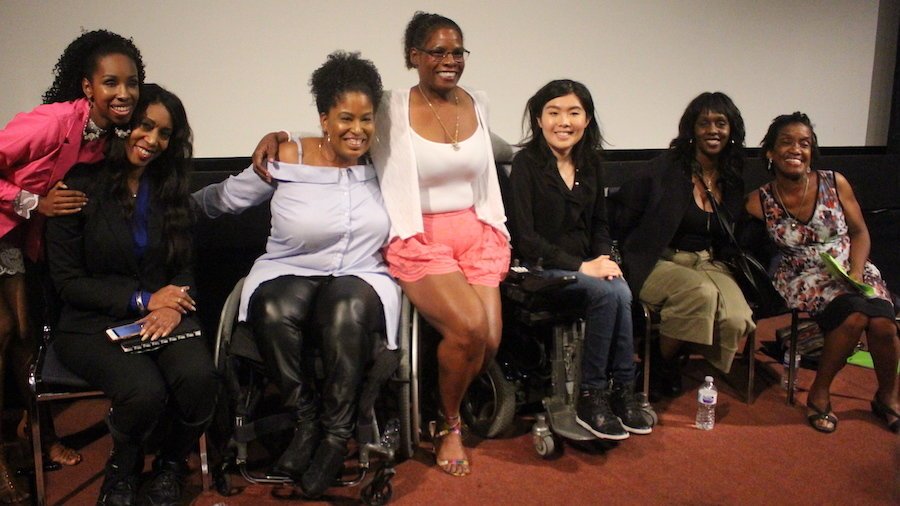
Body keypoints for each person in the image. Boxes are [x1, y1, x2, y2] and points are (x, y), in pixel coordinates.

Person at [252, 12, 510, 477]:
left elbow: (496, 153)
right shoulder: (390, 106)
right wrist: (282, 136)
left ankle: (437, 400)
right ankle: (448, 424)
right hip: (421, 234)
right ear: (414, 57)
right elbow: (343, 123)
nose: (449, 60)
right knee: (469, 329)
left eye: (457, 52)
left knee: (489, 338)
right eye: (437, 51)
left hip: (475, 233)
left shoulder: (478, 101)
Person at [194, 52, 397, 497]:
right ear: (324, 120)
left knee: (345, 309)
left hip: (361, 273)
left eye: (366, 119)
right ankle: (305, 419)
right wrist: (168, 206)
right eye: (345, 118)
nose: (357, 130)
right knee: (270, 304)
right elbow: (226, 198)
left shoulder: (387, 159)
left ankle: (335, 435)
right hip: (290, 268)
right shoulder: (288, 153)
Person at [46, 84, 217, 506]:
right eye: (145, 126)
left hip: (165, 315)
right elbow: (68, 283)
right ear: (124, 124)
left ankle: (171, 466)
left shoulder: (170, 189)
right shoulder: (77, 187)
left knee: (200, 377)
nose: (153, 141)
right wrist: (144, 300)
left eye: (165, 134)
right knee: (144, 390)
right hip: (90, 322)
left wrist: (175, 306)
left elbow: (184, 270)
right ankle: (122, 470)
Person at [0, 29, 144, 502]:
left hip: (19, 241)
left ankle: (37, 434)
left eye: (132, 83)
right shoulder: (55, 121)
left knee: (24, 336)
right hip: (7, 222)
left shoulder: (105, 139)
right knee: (5, 334)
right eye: (110, 83)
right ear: (87, 87)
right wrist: (31, 202)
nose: (123, 93)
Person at [507, 79, 653, 439]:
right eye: (553, 113)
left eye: (574, 113)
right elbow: (527, 239)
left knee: (620, 288)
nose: (563, 122)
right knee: (609, 293)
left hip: (586, 266)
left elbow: (600, 224)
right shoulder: (526, 164)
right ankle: (592, 393)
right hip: (543, 269)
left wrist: (605, 259)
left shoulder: (591, 165)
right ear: (539, 119)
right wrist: (584, 267)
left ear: (586, 120)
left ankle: (621, 390)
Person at [746, 112, 898, 434]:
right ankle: (819, 393)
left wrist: (856, 273)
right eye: (786, 142)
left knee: (884, 322)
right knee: (854, 317)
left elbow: (860, 233)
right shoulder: (759, 200)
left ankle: (887, 396)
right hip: (801, 274)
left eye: (804, 143)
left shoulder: (834, 182)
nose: (796, 150)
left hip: (850, 264)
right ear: (770, 152)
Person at [610, 92, 755, 400]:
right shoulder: (663, 171)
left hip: (706, 262)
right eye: (704, 123)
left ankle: (675, 348)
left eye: (721, 123)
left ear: (732, 130)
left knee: (737, 319)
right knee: (700, 296)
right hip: (658, 260)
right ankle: (661, 364)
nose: (713, 130)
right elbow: (620, 214)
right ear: (691, 128)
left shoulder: (732, 178)